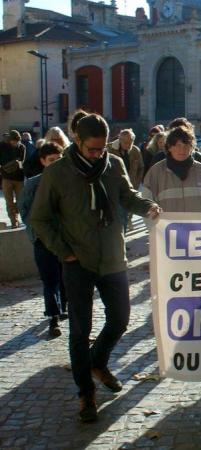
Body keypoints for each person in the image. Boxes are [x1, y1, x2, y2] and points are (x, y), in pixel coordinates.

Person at [30, 113, 161, 423]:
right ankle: (85, 392)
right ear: (77, 141)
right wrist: (64, 251)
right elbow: (39, 218)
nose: (99, 153)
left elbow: (127, 196)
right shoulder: (58, 173)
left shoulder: (114, 164)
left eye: (104, 148)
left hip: (113, 256)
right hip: (78, 261)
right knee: (80, 330)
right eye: (93, 149)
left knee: (120, 319)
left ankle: (98, 362)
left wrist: (148, 206)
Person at [18, 142, 67, 337]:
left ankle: (63, 308)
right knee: (50, 279)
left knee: (64, 277)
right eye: (51, 160)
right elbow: (24, 210)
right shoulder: (33, 184)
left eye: (58, 159)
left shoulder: (69, 182)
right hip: (43, 239)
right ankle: (53, 317)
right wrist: (35, 233)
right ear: (43, 161)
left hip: (65, 238)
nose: (55, 164)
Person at [143, 126, 201, 214]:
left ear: (192, 148)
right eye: (178, 145)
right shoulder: (156, 172)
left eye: (186, 145)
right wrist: (154, 226)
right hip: (166, 227)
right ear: (169, 147)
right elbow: (146, 204)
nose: (182, 150)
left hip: (197, 227)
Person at [109, 129, 145, 231]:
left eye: (131, 142)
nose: (128, 144)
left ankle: (122, 241)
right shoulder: (110, 149)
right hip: (114, 188)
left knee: (124, 214)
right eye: (126, 142)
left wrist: (137, 182)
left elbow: (141, 167)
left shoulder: (135, 150)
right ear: (119, 140)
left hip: (130, 187)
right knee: (119, 216)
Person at [0, 130, 27, 228]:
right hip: (6, 178)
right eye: (13, 141)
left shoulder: (22, 147)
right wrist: (6, 166)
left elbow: (22, 161)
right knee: (9, 201)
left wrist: (16, 163)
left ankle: (15, 213)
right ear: (9, 140)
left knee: (21, 201)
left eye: (17, 141)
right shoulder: (2, 146)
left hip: (19, 178)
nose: (15, 143)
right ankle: (14, 221)